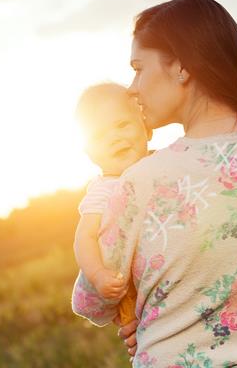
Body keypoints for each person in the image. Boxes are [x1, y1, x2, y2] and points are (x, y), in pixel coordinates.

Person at [71, 0, 237, 368]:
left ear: (182, 67)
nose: (133, 88)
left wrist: (149, 320)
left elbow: (92, 301)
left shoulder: (140, 182)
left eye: (139, 68)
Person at [72, 82, 154, 327]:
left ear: (146, 128)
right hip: (123, 280)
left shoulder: (162, 165)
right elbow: (84, 237)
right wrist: (98, 275)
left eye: (121, 125)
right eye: (99, 135)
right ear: (89, 152)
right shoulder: (103, 190)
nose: (114, 138)